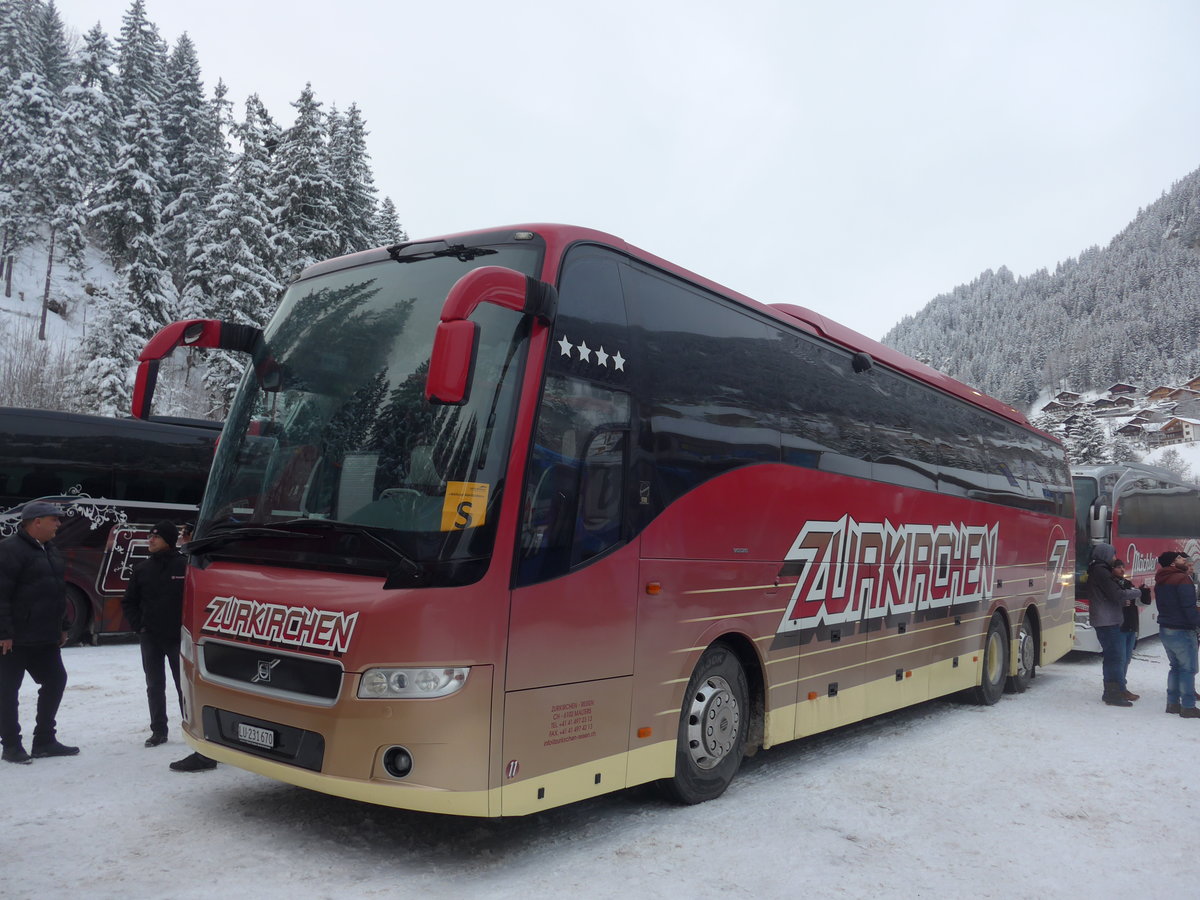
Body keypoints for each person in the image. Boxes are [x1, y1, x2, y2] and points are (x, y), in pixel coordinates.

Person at [0, 501, 80, 764]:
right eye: (53, 519)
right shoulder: (9, 550)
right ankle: (11, 745)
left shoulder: (51, 550)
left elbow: (57, 592)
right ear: (36, 522)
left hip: (44, 636)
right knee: (7, 691)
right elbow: (2, 594)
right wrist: (4, 633)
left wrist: (63, 626)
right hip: (15, 639)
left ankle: (44, 740)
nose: (58, 524)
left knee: (56, 679)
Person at [121, 521, 185, 748]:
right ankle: (158, 730)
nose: (150, 540)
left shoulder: (185, 566)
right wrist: (140, 626)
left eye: (156, 537)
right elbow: (129, 601)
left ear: (169, 540)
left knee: (184, 685)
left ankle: (193, 728)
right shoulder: (142, 568)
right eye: (150, 536)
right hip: (150, 637)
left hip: (178, 638)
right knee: (154, 685)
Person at [167, 521, 217, 773]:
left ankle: (206, 752)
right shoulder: (198, 561)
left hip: (205, 634)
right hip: (198, 633)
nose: (182, 539)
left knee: (201, 689)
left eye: (185, 534)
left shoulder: (205, 562)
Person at [1085, 542, 1140, 706]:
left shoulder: (1097, 570)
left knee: (1112, 657)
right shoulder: (1102, 571)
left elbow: (1107, 595)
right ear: (1105, 555)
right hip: (1107, 621)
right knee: (1115, 658)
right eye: (1113, 554)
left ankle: (1111, 691)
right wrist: (1137, 592)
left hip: (1105, 619)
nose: (1114, 558)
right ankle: (1113, 693)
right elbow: (1116, 594)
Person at [1153, 550, 1200, 718]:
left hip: (1166, 627)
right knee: (1188, 668)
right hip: (1182, 629)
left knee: (1175, 667)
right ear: (1173, 563)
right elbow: (1188, 607)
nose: (1184, 560)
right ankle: (1188, 706)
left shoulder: (1161, 579)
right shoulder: (1182, 579)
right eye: (1180, 558)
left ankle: (1172, 703)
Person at [1112, 558, 1151, 698]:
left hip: (1131, 626)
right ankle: (1119, 688)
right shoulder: (1111, 584)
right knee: (1120, 659)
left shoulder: (1128, 584)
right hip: (1120, 627)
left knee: (1126, 659)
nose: (1122, 570)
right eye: (1118, 567)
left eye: (1123, 567)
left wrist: (1144, 592)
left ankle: (1121, 685)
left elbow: (1141, 602)